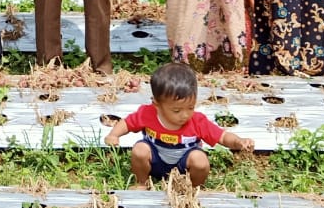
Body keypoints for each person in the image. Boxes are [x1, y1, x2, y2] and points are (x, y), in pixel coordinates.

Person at [103, 61, 254, 188]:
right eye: (176, 110)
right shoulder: (147, 114)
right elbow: (127, 123)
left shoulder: (197, 121)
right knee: (140, 149)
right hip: (156, 160)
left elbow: (222, 136)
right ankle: (141, 183)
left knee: (200, 160)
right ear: (157, 105)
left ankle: (193, 188)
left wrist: (239, 142)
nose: (185, 115)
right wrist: (114, 134)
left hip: (184, 164)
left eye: (191, 107)